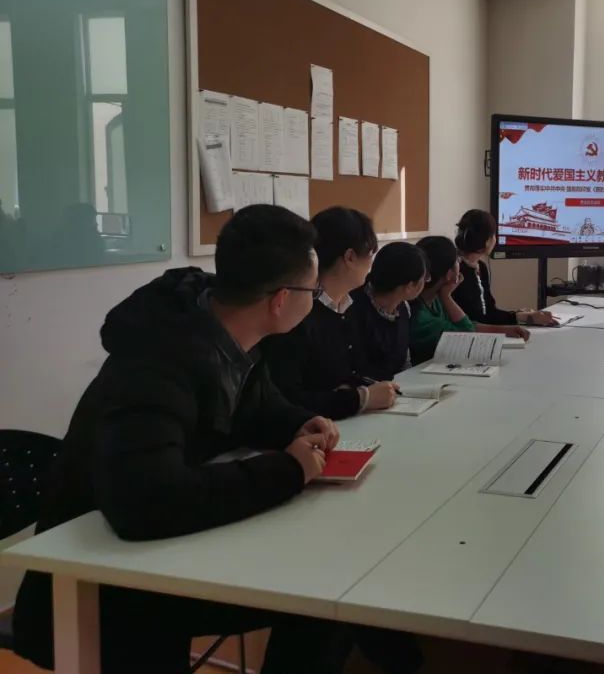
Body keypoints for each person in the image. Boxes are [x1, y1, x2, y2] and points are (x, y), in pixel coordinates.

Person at [13, 204, 352, 673]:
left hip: (167, 552)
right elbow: (145, 502)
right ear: (279, 300)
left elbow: (256, 407)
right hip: (105, 583)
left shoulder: (226, 330)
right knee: (327, 599)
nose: (315, 300)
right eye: (311, 291)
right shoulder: (157, 363)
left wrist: (300, 422)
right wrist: (288, 469)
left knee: (331, 588)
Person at [264, 207, 400, 418]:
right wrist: (360, 398)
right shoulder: (298, 313)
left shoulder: (351, 305)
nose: (371, 265)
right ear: (350, 257)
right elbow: (288, 399)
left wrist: (362, 388)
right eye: (369, 255)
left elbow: (356, 369)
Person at [411, 234, 529, 364]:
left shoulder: (434, 299)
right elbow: (466, 332)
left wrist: (504, 330)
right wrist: (447, 296)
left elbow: (467, 325)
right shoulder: (420, 314)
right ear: (449, 274)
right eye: (457, 260)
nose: (460, 263)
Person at [452, 209, 555, 327]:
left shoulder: (481, 267)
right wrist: (523, 317)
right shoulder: (455, 270)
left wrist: (520, 315)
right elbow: (476, 319)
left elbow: (489, 313)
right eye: (494, 235)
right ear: (487, 241)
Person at [350, 241, 429, 381]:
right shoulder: (352, 308)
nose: (426, 281)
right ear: (410, 286)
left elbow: (404, 361)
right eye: (424, 278)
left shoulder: (404, 308)